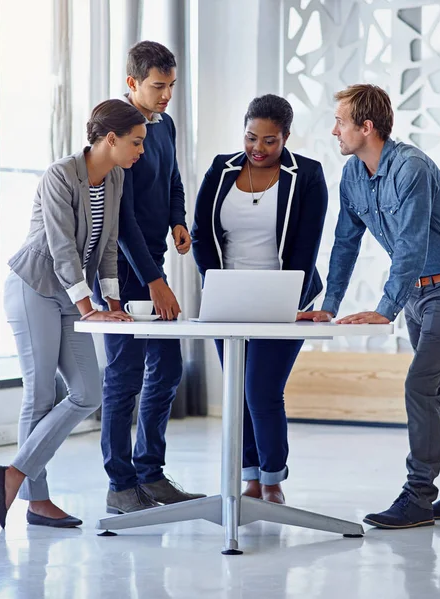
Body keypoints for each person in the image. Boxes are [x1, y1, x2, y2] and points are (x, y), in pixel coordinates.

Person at [299, 84, 440, 528]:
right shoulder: (353, 175)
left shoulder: (411, 168)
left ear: (367, 126)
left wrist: (386, 307)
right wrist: (330, 304)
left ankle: (419, 495)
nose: (333, 130)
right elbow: (345, 242)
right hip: (419, 292)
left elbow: (411, 244)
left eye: (340, 121)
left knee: (420, 385)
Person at [0, 99, 146, 528]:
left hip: (71, 295)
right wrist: (88, 308)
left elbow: (109, 245)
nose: (140, 151)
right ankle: (37, 501)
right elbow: (60, 246)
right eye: (135, 142)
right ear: (109, 139)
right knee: (41, 394)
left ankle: (14, 474)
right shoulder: (61, 174)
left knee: (86, 394)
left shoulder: (113, 179)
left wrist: (112, 303)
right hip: (34, 286)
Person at [191, 94, 328, 503]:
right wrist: (213, 283)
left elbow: (307, 245)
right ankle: (250, 478)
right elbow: (201, 232)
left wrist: (293, 301)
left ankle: (272, 479)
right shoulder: (221, 169)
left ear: (286, 137)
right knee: (237, 390)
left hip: (282, 298)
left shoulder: (308, 175)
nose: (258, 148)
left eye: (270, 141)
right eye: (252, 137)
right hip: (226, 297)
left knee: (262, 390)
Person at [97, 41, 205, 515]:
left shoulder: (166, 126)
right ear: (132, 84)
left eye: (171, 86)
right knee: (124, 378)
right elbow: (121, 221)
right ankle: (120, 485)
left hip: (154, 261)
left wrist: (179, 219)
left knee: (167, 368)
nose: (166, 96)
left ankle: (150, 474)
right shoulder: (120, 133)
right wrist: (155, 280)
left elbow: (174, 179)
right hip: (124, 272)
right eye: (158, 86)